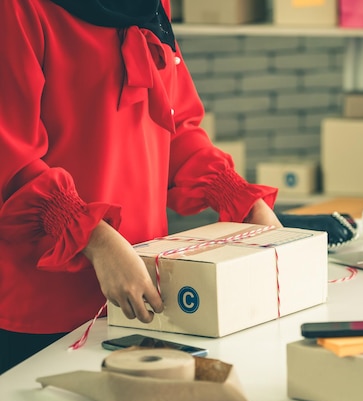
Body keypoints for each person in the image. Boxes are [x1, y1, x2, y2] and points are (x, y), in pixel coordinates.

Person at [0, 0, 282, 374]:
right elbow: (11, 159)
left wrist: (239, 199)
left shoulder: (147, 4)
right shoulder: (19, 9)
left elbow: (176, 128)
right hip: (47, 303)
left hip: (143, 292)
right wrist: (97, 243)